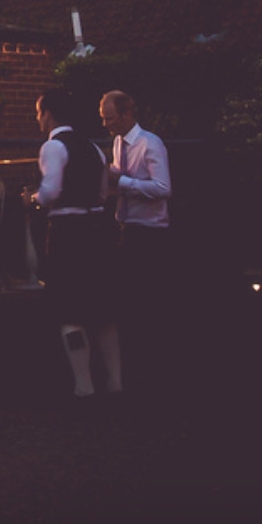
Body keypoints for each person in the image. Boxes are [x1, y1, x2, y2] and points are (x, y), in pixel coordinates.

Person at [29, 91, 120, 397]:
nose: (37, 119)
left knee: (69, 308)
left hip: (67, 231)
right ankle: (115, 382)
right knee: (102, 308)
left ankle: (84, 385)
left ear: (50, 114)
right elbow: (103, 192)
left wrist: (34, 198)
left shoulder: (53, 146)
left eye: (39, 113)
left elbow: (51, 191)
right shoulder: (93, 149)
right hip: (97, 230)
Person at [102, 89, 172, 387]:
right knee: (129, 300)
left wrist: (123, 182)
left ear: (128, 113)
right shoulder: (119, 142)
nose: (107, 125)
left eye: (111, 118)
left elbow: (163, 187)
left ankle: (155, 370)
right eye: (104, 119)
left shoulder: (151, 144)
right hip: (127, 228)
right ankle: (137, 369)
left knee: (148, 301)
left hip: (150, 232)